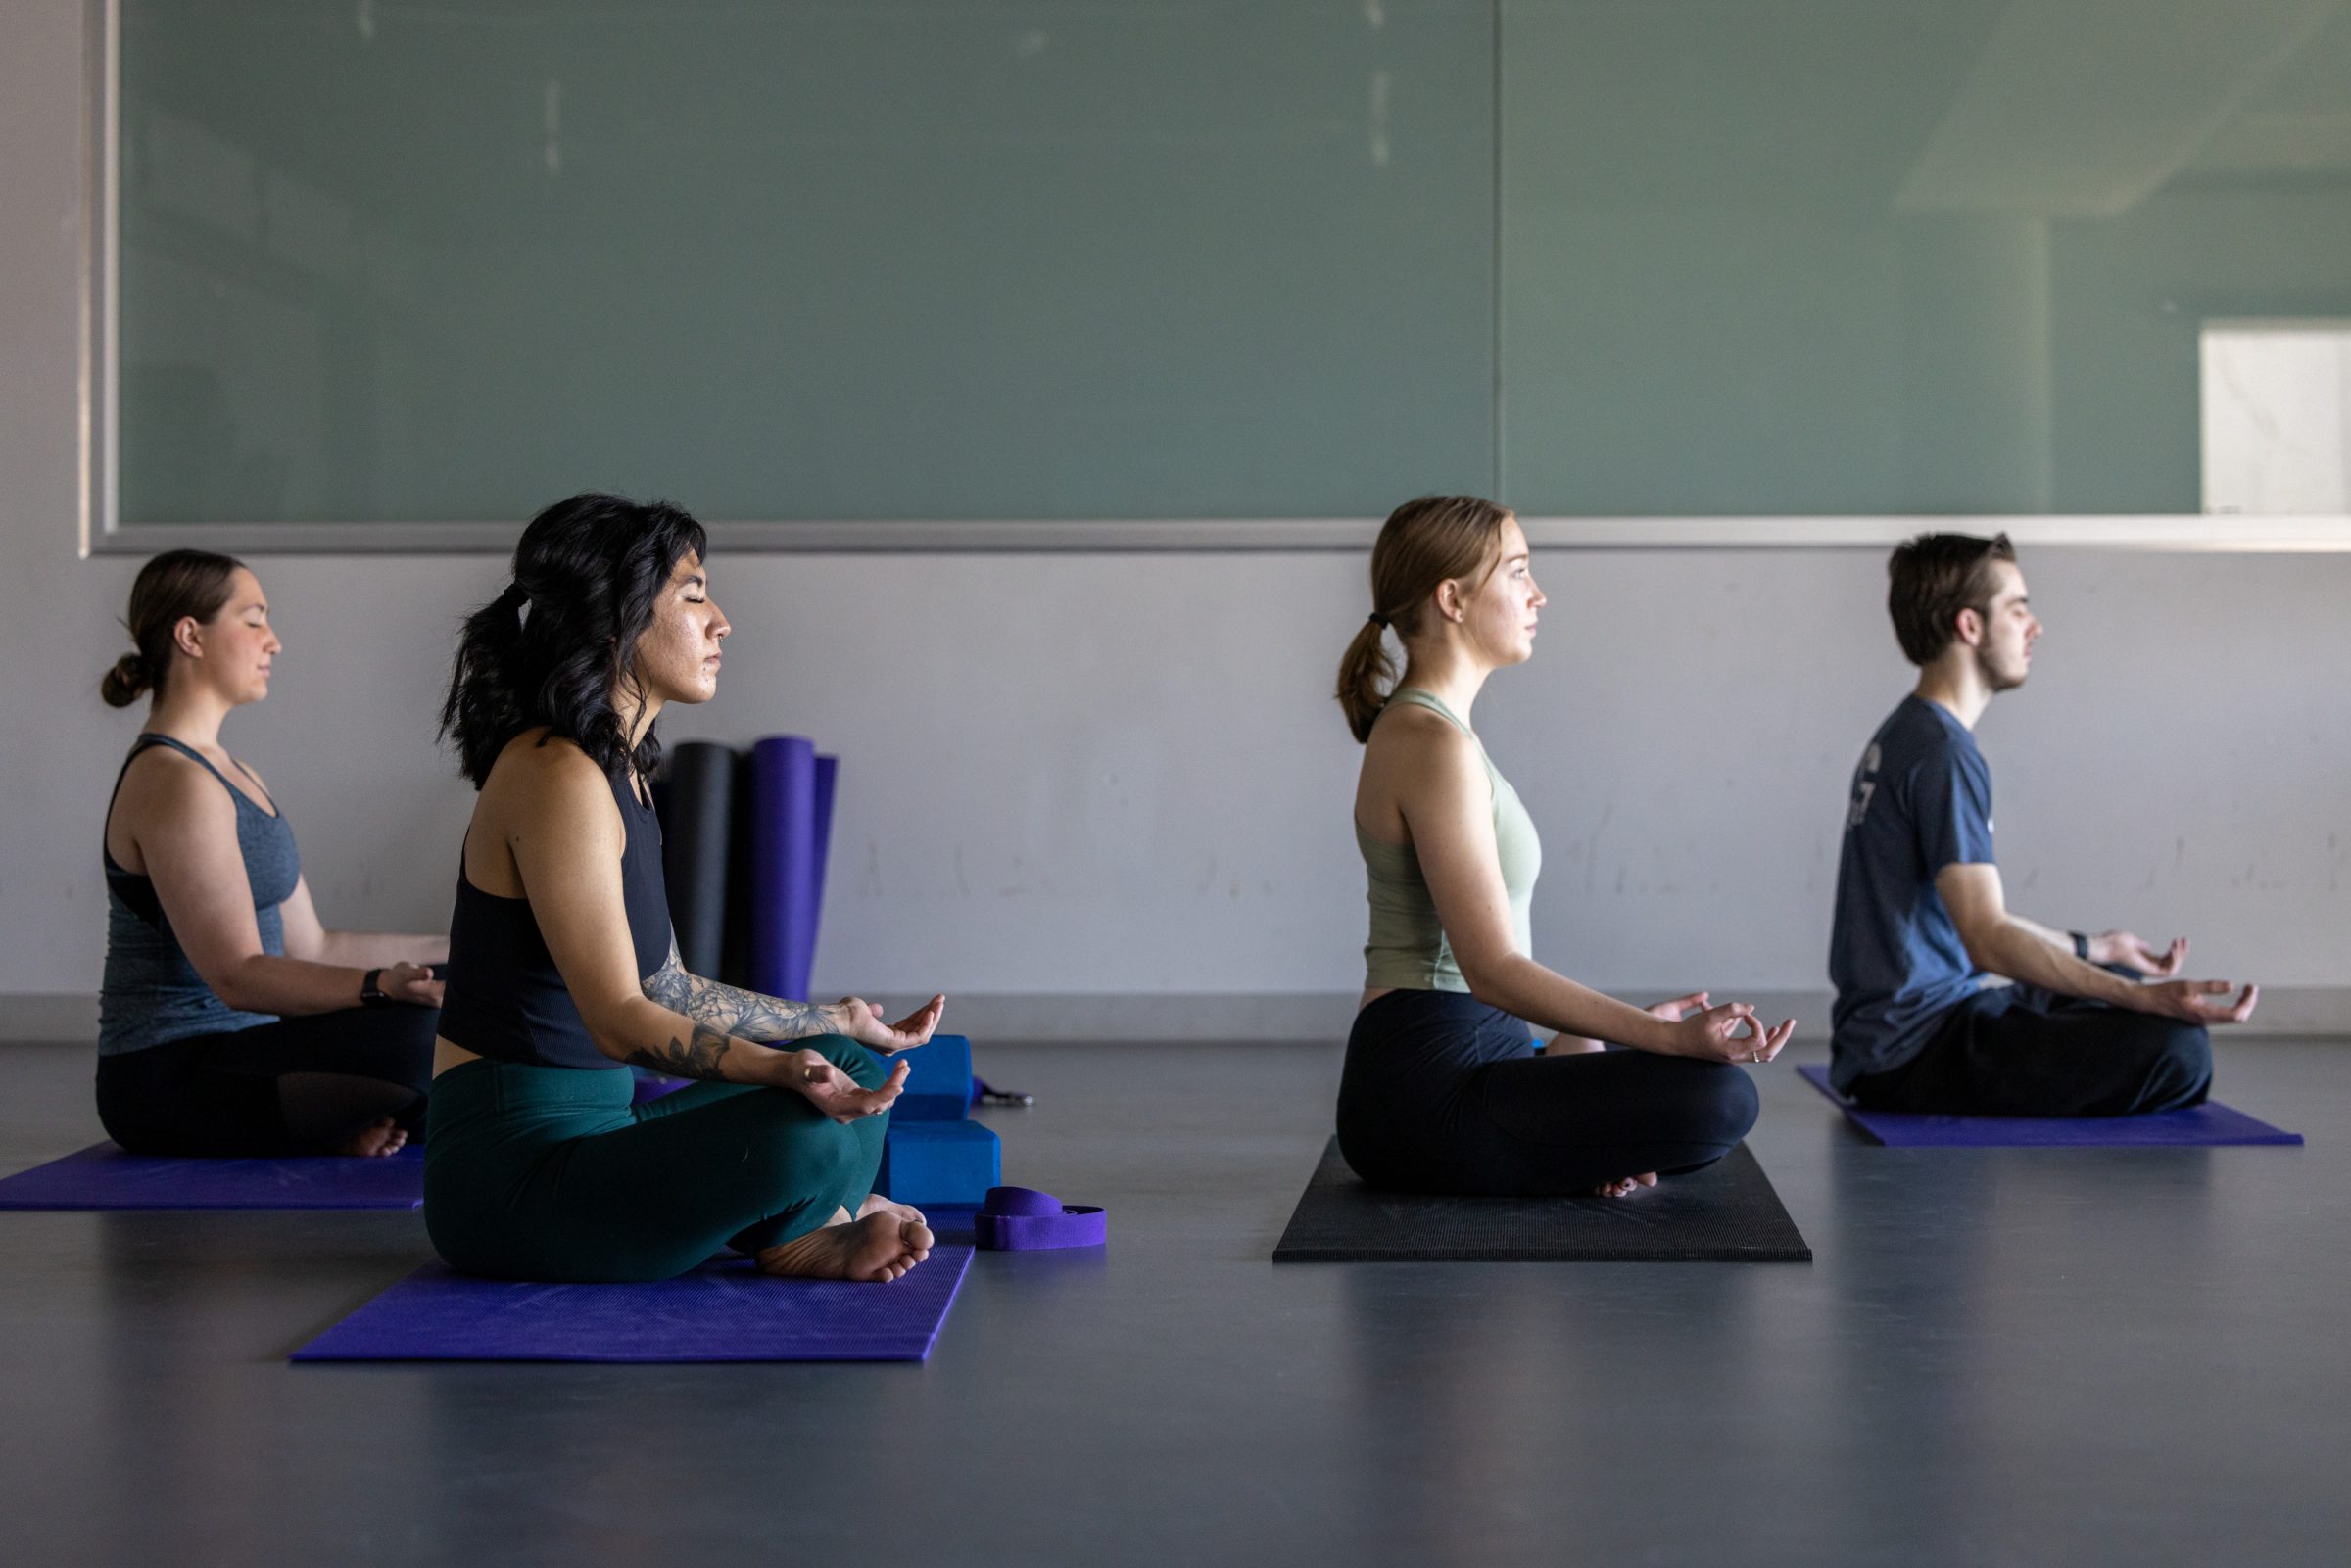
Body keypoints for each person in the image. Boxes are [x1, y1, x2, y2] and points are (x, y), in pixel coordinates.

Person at [424, 493, 941, 1284]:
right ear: (614, 621)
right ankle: (807, 1222)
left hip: (600, 1133)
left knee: (847, 1060)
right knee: (804, 1123)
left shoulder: (619, 769)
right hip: (511, 1182)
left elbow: (666, 984)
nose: (720, 620)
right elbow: (620, 1021)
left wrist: (830, 1022)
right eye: (694, 594)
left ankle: (808, 1218)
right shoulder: (552, 772)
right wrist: (781, 1070)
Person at [1333, 495, 1793, 1199]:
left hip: (1475, 1052)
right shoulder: (1429, 743)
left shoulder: (1440, 735)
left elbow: (1494, 980)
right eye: (1518, 571)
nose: (1538, 594)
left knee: (1690, 1088)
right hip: (1424, 1086)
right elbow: (1489, 969)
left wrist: (1595, 1045)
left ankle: (1572, 1143)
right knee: (1722, 1100)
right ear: (1452, 598)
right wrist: (1656, 1036)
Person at [1826, 532, 2258, 1115]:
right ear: (1970, 627)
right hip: (1912, 1050)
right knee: (2179, 1051)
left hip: (1903, 1030)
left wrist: (2097, 948)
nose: (2036, 627)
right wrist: (2139, 997)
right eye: (2018, 609)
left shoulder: (1907, 732)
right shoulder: (1944, 755)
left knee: (2110, 984)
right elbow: (1986, 938)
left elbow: (1979, 924)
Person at [96, 550, 445, 1158]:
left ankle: (344, 1121)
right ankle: (347, 1120)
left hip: (254, 1048)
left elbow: (313, 947)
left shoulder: (233, 773)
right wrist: (380, 987)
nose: (274, 642)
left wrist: (456, 950)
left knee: (474, 996)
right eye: (254, 618)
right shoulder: (173, 781)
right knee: (425, 1035)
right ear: (190, 635)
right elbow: (237, 975)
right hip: (168, 1074)